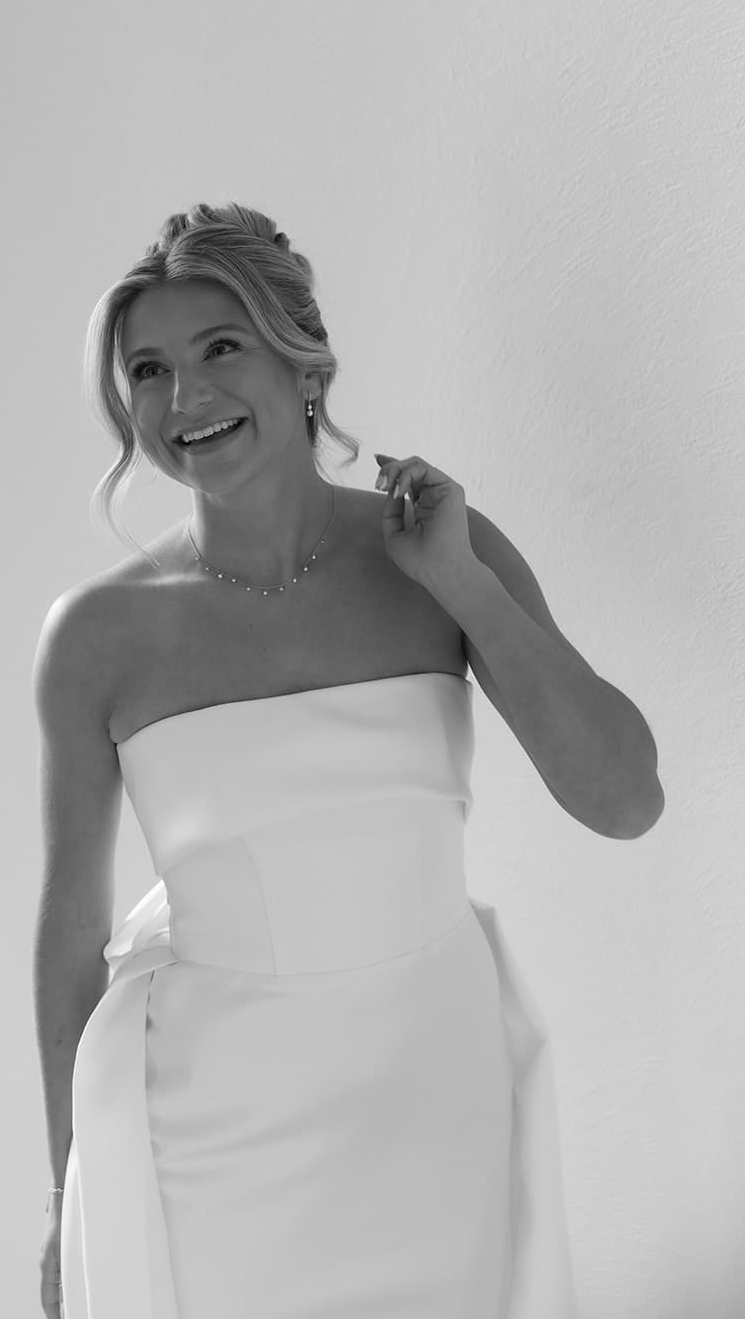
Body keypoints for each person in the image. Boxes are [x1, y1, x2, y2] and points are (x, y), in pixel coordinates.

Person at [33, 202, 660, 1318]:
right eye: (147, 370)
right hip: (207, 1130)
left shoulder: (436, 554)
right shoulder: (98, 638)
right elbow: (67, 938)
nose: (186, 399)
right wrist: (62, 1192)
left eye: (220, 348)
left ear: (302, 362)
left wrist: (459, 586)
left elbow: (622, 798)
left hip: (436, 1091)